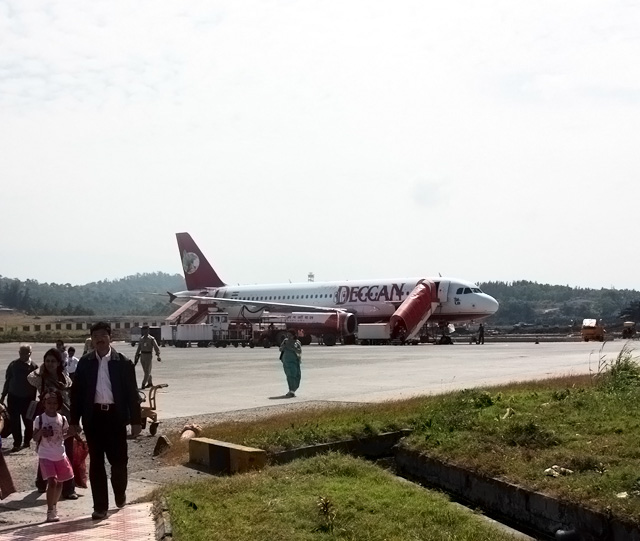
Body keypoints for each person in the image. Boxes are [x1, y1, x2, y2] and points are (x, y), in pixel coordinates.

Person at [70, 321, 141, 520]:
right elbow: (76, 394)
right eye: (95, 336)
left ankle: (119, 491)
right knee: (97, 463)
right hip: (93, 418)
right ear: (91, 340)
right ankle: (100, 506)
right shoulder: (85, 363)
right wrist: (74, 420)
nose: (99, 339)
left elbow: (132, 394)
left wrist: (136, 421)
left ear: (110, 337)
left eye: (103, 335)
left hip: (115, 417)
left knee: (119, 462)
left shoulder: (123, 363)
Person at [28, 348, 76, 499]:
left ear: (59, 363)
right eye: (47, 361)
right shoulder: (40, 378)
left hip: (63, 418)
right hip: (47, 419)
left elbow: (70, 395)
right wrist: (41, 369)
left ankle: (68, 489)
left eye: (53, 361)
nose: (50, 364)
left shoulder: (65, 379)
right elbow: (29, 377)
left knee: (66, 452)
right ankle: (41, 482)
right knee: (45, 450)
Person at [33, 390, 74, 522]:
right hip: (45, 454)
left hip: (60, 454)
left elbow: (62, 436)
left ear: (59, 404)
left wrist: (71, 433)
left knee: (60, 483)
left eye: (55, 403)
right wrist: (41, 432)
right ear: (44, 403)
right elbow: (34, 438)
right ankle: (50, 510)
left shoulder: (62, 419)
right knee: (52, 482)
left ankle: (54, 506)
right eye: (49, 403)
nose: (52, 405)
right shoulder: (39, 419)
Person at [1, 344, 38, 452]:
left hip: (28, 399)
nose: (23, 355)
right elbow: (8, 380)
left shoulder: (34, 367)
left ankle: (27, 441)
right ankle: (17, 443)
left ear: (30, 353)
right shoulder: (13, 365)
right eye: (21, 353)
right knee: (15, 422)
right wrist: (3, 396)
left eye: (25, 353)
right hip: (14, 398)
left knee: (28, 422)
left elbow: (38, 384)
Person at [279, 329, 302, 398]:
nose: (288, 337)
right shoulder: (285, 341)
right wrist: (284, 346)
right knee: (290, 375)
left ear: (294, 335)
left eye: (290, 335)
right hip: (287, 361)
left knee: (296, 375)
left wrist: (292, 348)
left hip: (295, 361)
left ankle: (293, 389)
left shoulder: (297, 342)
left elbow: (299, 351)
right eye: (287, 335)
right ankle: (291, 390)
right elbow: (280, 349)